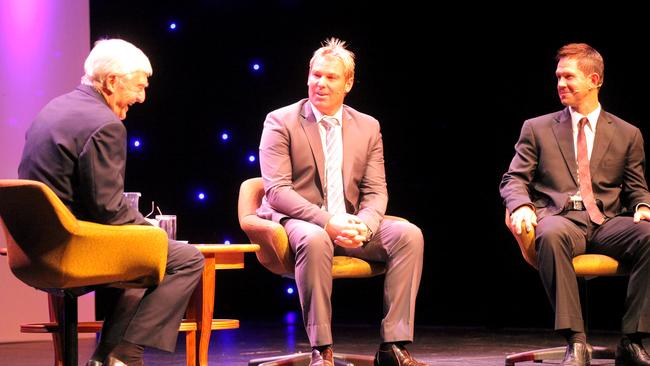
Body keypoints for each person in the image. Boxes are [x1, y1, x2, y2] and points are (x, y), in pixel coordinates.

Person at [18, 39, 204, 366]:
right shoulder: (106, 124)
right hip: (71, 247)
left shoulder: (54, 109)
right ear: (112, 82)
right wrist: (151, 231)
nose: (142, 97)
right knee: (186, 258)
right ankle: (124, 353)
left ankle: (109, 357)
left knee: (143, 262)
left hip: (34, 250)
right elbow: (108, 209)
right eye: (138, 87)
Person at [257, 37, 426, 366]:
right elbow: (276, 190)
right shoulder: (280, 121)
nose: (320, 83)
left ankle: (393, 347)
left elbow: (376, 191)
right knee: (317, 238)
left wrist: (363, 225)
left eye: (331, 77)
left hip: (349, 223)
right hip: (300, 223)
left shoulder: (367, 126)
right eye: (316, 75)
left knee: (409, 235)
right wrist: (328, 222)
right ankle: (321, 350)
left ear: (348, 83)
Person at [500, 43, 650, 366]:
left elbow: (638, 190)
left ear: (594, 80)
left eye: (568, 77)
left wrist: (643, 207)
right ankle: (576, 341)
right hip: (561, 219)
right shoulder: (537, 128)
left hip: (607, 222)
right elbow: (513, 179)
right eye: (557, 77)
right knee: (550, 233)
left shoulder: (627, 134)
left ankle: (633, 340)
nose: (560, 84)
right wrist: (522, 206)